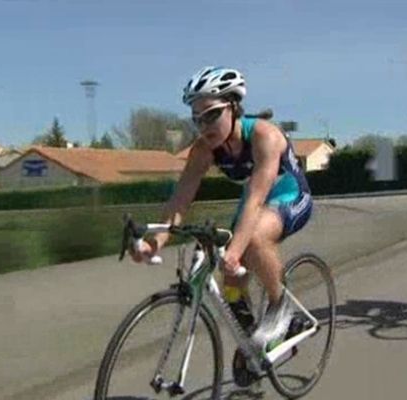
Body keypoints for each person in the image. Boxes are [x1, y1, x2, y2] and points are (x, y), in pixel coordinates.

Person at [130, 66, 313, 348]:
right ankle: (253, 343)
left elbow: (255, 196)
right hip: (255, 202)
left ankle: (281, 308)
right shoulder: (203, 149)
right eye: (196, 119)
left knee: (250, 241)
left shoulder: (265, 135)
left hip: (290, 196)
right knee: (230, 284)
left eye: (212, 115)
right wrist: (155, 242)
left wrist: (236, 253)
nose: (204, 127)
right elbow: (181, 198)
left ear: (234, 107)